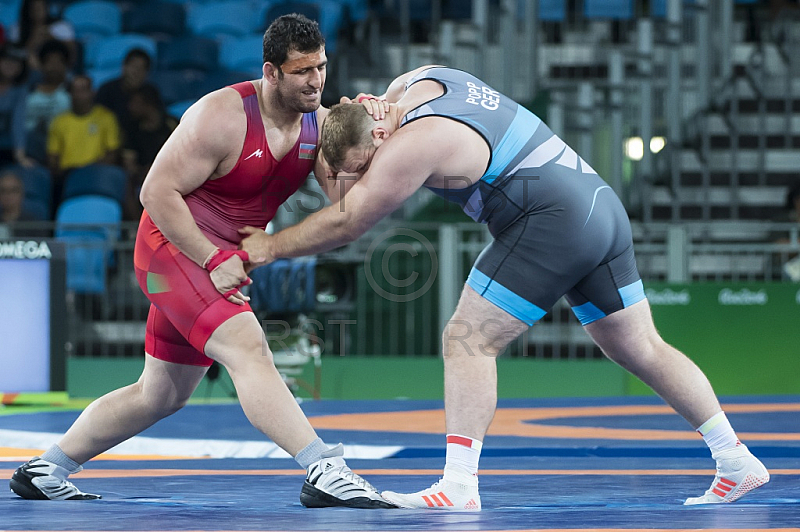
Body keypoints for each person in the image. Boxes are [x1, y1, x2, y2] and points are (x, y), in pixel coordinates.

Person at [239, 65, 771, 510]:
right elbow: (349, 174)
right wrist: (335, 134)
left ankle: (459, 486)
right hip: (599, 204)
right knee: (639, 346)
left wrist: (268, 247)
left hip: (552, 218)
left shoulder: (410, 144)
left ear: (379, 134)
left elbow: (346, 222)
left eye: (366, 164)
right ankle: (736, 458)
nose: (369, 173)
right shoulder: (419, 82)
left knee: (467, 338)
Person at [9, 14, 393, 509]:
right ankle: (325, 469)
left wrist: (366, 136)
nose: (316, 81)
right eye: (302, 72)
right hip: (172, 249)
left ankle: (45, 470)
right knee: (247, 345)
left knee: (161, 394)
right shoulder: (222, 115)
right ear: (271, 73)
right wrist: (213, 259)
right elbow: (154, 192)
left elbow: (345, 206)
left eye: (320, 67)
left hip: (210, 261)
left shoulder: (316, 125)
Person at [46, 74, 121, 190]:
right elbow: (53, 157)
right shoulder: (59, 121)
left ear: (92, 92)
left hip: (97, 173)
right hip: (68, 175)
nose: (78, 95)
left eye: (83, 90)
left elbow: (112, 153)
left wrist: (87, 171)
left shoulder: (106, 117)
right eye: (74, 91)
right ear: (70, 94)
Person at [120, 84, 177, 220]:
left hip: (171, 175)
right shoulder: (132, 129)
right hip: (142, 177)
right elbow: (129, 163)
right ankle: (137, 226)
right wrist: (142, 172)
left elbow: (183, 157)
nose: (130, 107)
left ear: (149, 104)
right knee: (126, 183)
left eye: (135, 102)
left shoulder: (172, 124)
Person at [24, 39, 70, 163]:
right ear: (42, 65)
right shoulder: (27, 92)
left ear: (66, 66)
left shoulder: (73, 93)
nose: (54, 66)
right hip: (30, 151)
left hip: (64, 149)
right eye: (49, 61)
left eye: (59, 62)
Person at [96, 48, 159, 134]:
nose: (136, 72)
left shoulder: (151, 92)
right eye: (133, 66)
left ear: (147, 73)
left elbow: (159, 122)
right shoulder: (107, 90)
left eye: (141, 68)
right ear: (124, 66)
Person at [0, 45, 33, 167]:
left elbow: (18, 122)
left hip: (7, 149)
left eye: (16, 62)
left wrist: (20, 156)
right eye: (6, 60)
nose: (10, 65)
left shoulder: (20, 90)